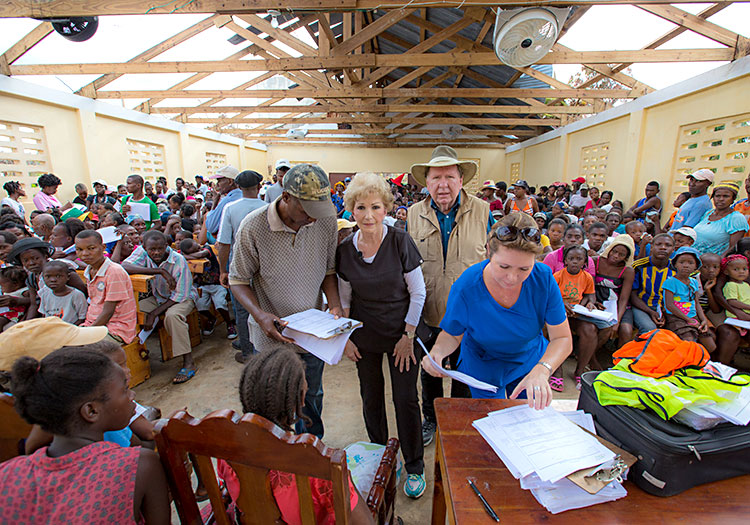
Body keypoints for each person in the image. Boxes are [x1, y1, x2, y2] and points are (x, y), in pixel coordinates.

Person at [229, 164, 342, 439]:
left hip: (313, 335)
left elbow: (329, 271)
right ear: (286, 197)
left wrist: (335, 306)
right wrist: (259, 315)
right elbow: (238, 280)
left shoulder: (325, 222)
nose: (313, 219)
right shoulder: (253, 227)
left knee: (311, 396)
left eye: (318, 212)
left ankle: (311, 448)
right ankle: (278, 457)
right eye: (306, 212)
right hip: (271, 336)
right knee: (273, 402)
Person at [0, 347, 170, 523]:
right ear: (91, 410)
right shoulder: (139, 464)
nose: (132, 395)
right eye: (125, 390)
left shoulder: (6, 475)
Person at [422, 213, 572, 410]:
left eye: (524, 269)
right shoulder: (467, 285)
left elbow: (562, 338)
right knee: (490, 416)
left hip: (529, 363)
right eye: (504, 266)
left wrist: (543, 369)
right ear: (488, 252)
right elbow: (452, 333)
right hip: (483, 366)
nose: (512, 278)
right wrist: (437, 352)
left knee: (527, 418)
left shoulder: (543, 279)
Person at [336, 173, 427, 499]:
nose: (369, 215)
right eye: (361, 207)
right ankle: (380, 459)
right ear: (351, 210)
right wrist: (344, 338)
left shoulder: (400, 241)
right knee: (371, 398)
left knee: (405, 400)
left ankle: (414, 465)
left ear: (387, 208)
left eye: (376, 207)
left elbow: (418, 293)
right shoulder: (346, 249)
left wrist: (408, 335)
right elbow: (345, 300)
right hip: (365, 335)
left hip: (401, 333)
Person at [210, 348, 374, 525]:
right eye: (305, 388)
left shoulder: (226, 450)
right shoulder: (318, 465)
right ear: (300, 402)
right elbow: (363, 522)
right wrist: (345, 479)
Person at [406, 146, 491, 447]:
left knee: (464, 372)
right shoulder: (413, 214)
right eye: (436, 177)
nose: (443, 184)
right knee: (431, 371)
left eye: (450, 177)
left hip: (469, 315)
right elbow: (408, 265)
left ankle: (458, 419)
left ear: (461, 179)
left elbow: (493, 259)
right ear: (426, 182)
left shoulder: (482, 210)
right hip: (427, 312)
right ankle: (432, 418)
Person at [123, 230, 197, 384]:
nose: (156, 253)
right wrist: (159, 271)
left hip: (183, 298)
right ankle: (139, 354)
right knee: (133, 309)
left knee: (173, 316)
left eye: (160, 249)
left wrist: (155, 313)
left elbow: (180, 295)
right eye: (152, 250)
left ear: (167, 246)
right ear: (144, 247)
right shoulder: (143, 252)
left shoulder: (178, 260)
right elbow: (125, 266)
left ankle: (188, 361)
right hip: (159, 297)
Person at [215, 170, 267, 362]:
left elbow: (224, 243)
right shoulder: (268, 207)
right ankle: (265, 350)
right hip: (263, 264)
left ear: (238, 187)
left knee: (243, 308)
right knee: (264, 306)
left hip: (239, 263)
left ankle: (247, 352)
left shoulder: (230, 208)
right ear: (259, 187)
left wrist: (223, 270)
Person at [75, 230, 138, 345]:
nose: (85, 254)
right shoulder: (89, 270)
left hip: (116, 329)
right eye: (80, 249)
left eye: (91, 248)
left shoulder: (114, 272)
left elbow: (108, 312)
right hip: (93, 324)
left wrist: (87, 334)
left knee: (82, 351)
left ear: (102, 247)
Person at [551, 245, 597, 391]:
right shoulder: (558, 275)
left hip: (577, 313)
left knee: (590, 330)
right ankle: (557, 370)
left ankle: (580, 370)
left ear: (585, 262)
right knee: (558, 330)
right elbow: (550, 295)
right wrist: (562, 303)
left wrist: (587, 304)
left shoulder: (587, 277)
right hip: (559, 311)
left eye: (579, 259)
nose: (575, 262)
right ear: (565, 260)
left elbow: (590, 295)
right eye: (571, 259)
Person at [620, 233, 675, 342]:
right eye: (659, 244)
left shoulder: (676, 269)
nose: (663, 247)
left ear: (673, 249)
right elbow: (632, 295)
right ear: (652, 247)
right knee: (649, 329)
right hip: (641, 306)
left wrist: (663, 312)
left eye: (667, 245)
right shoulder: (639, 266)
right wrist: (651, 312)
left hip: (666, 308)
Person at [180, 238, 237, 340]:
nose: (198, 251)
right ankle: (211, 318)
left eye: (197, 248)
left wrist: (185, 256)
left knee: (220, 304)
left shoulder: (206, 249)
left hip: (217, 284)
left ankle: (229, 324)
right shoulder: (188, 254)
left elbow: (201, 255)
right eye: (193, 251)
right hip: (203, 285)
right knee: (200, 305)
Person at [662, 246, 715, 351]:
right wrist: (688, 320)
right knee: (689, 341)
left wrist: (703, 319)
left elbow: (696, 303)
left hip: (693, 316)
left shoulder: (694, 282)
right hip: (676, 317)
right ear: (675, 264)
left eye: (690, 263)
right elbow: (670, 305)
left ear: (696, 267)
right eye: (682, 262)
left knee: (711, 344)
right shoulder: (670, 282)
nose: (686, 266)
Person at [692, 181, 749, 256]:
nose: (721, 199)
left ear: (733, 199)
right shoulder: (708, 213)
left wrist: (719, 261)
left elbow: (733, 248)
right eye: (717, 196)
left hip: (711, 263)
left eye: (726, 196)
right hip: (695, 259)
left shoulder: (736, 218)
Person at [37, 260, 88, 325]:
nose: (53, 280)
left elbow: (82, 318)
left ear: (68, 277)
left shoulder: (76, 295)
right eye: (48, 276)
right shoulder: (45, 293)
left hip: (71, 329)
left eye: (58, 276)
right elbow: (44, 314)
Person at [204, 165, 242, 237]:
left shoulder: (227, 200)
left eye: (219, 181)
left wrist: (214, 203)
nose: (217, 184)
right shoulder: (244, 195)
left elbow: (211, 226)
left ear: (230, 181)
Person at [0, 266, 29, 331]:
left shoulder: (23, 291)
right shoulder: (8, 292)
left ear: (15, 284)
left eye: (2, 285)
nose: (1, 288)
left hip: (14, 315)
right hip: (5, 313)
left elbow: (33, 300)